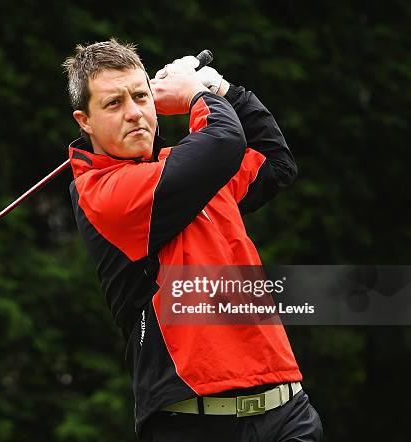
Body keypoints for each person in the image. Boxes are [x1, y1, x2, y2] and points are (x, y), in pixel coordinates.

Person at [63, 38, 323, 442]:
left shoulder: (186, 166)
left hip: (286, 410)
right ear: (85, 121)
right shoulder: (100, 192)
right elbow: (222, 142)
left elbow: (275, 164)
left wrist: (221, 89)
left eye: (140, 96)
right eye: (114, 104)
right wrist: (195, 94)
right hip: (194, 424)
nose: (134, 114)